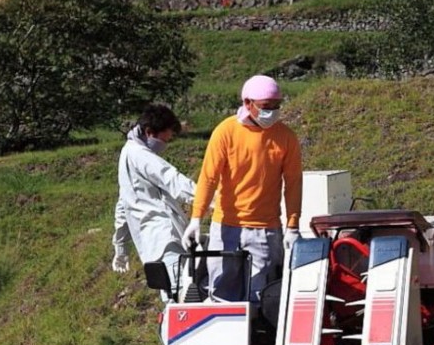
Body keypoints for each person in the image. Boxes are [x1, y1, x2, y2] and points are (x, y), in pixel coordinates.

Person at [182, 74, 302, 304]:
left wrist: (293, 225)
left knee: (261, 296)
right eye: (266, 107)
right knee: (220, 293)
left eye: (277, 106)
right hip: (226, 227)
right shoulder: (226, 132)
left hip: (266, 229)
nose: (273, 112)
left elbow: (294, 182)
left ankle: (260, 339)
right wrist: (196, 218)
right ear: (248, 104)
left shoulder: (285, 137)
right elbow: (209, 177)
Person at [112, 103, 196, 296]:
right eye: (164, 139)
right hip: (164, 236)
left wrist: (121, 246)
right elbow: (171, 178)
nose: (165, 145)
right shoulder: (139, 154)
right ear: (149, 132)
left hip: (155, 242)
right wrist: (211, 198)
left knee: (173, 295)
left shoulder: (128, 155)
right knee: (182, 294)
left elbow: (123, 205)